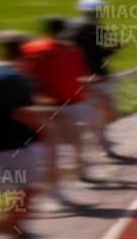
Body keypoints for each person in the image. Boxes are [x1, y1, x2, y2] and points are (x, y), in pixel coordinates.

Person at [0, 31, 48, 239]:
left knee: (5, 192)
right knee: (25, 193)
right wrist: (43, 133)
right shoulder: (14, 79)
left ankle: (17, 235)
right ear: (24, 53)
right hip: (13, 146)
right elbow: (23, 113)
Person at [23, 16, 93, 195]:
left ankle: (56, 187)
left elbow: (25, 77)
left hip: (46, 106)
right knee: (75, 143)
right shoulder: (73, 51)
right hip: (71, 104)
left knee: (51, 150)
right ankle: (75, 171)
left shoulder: (30, 49)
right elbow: (81, 75)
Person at [65, 0, 120, 159]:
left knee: (87, 112)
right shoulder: (94, 28)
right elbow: (108, 48)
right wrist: (115, 48)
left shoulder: (71, 26)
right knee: (107, 111)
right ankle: (100, 140)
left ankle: (94, 141)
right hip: (97, 75)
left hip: (78, 77)